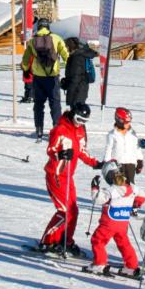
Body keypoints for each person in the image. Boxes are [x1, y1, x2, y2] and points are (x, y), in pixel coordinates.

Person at [39, 104, 98, 255]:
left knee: (73, 211)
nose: (81, 123)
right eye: (79, 119)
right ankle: (47, 241)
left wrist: (97, 164)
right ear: (73, 115)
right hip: (56, 175)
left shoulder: (80, 131)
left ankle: (66, 240)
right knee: (64, 210)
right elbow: (51, 150)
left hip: (68, 176)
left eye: (84, 121)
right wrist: (61, 155)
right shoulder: (60, 129)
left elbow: (82, 152)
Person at [86, 164, 144, 277]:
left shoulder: (112, 190)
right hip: (123, 222)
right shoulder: (132, 187)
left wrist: (94, 188)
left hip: (109, 222)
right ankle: (131, 266)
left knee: (98, 240)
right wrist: (135, 204)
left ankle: (100, 264)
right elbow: (142, 196)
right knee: (123, 243)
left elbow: (97, 199)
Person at [22, 19, 67, 138]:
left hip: (38, 78)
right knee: (55, 104)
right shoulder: (57, 38)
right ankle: (57, 130)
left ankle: (39, 129)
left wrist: (26, 70)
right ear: (48, 26)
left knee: (38, 105)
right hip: (53, 77)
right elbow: (66, 56)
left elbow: (25, 60)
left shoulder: (32, 41)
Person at [102, 106, 143, 176]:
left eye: (129, 122)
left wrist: (140, 161)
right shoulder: (112, 135)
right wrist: (106, 163)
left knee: (130, 185)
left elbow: (137, 148)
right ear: (119, 121)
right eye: (126, 122)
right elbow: (108, 150)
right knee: (119, 185)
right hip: (117, 164)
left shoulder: (133, 134)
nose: (128, 124)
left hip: (131, 164)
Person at [60, 36, 97, 112]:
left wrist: (68, 87)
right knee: (77, 116)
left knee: (75, 115)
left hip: (77, 91)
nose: (66, 49)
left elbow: (75, 78)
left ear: (71, 47)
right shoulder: (79, 55)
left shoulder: (76, 58)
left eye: (67, 46)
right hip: (81, 89)